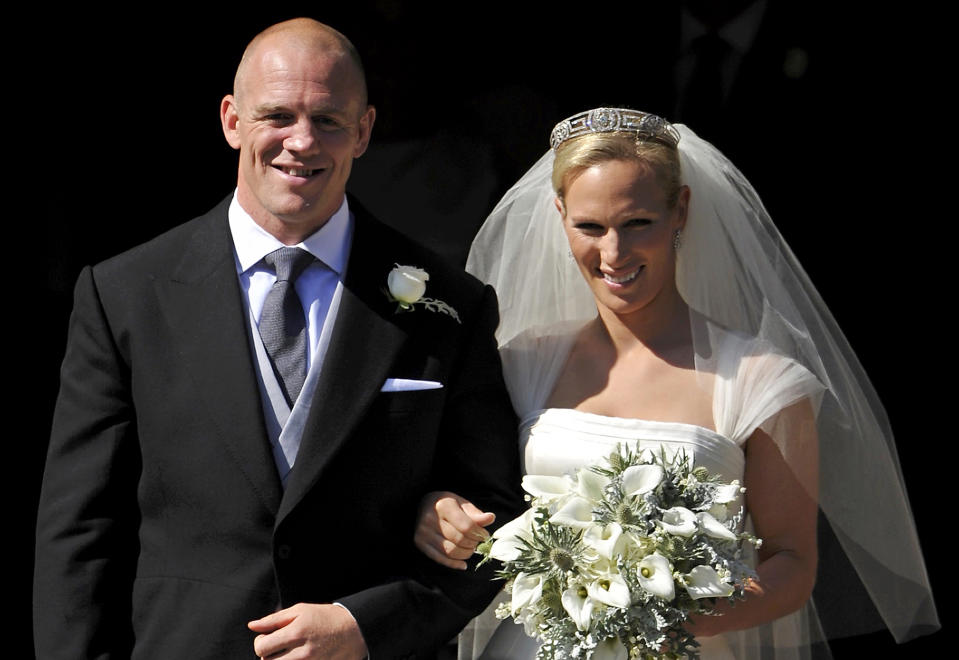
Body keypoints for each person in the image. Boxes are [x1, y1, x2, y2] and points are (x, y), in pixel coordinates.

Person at [34, 17, 524, 659]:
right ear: (232, 120)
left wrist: (368, 626)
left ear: (365, 130)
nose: (301, 141)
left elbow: (500, 519)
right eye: (278, 116)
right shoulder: (126, 293)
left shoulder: (448, 305)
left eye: (328, 120)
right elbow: (81, 528)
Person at [414, 108, 939, 658]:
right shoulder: (520, 362)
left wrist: (674, 607)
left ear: (680, 210)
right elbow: (473, 494)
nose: (614, 254)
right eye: (590, 227)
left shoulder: (762, 382)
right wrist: (438, 510)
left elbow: (792, 562)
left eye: (638, 222)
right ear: (560, 215)